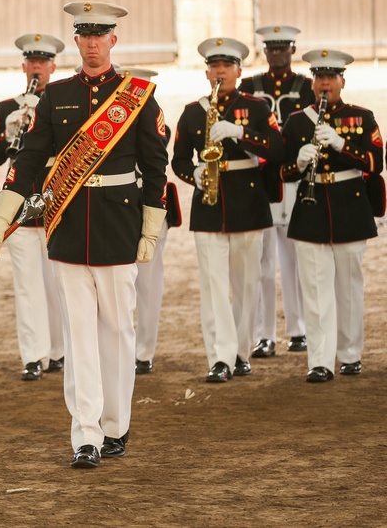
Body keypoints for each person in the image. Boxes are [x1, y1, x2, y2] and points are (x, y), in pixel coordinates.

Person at [0, 2, 168, 469]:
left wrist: (150, 226)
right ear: (77, 40)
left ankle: (116, 425)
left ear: (113, 40)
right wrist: (2, 215)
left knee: (118, 332)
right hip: (67, 226)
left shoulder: (139, 96)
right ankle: (85, 434)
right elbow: (28, 159)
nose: (91, 42)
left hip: (119, 223)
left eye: (99, 34)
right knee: (80, 333)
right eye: (83, 34)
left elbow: (154, 166)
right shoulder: (57, 95)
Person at [172, 37, 284, 384]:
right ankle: (219, 356)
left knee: (247, 283)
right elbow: (177, 159)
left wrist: (241, 132)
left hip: (248, 201)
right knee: (213, 285)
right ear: (207, 72)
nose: (220, 71)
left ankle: (241, 352)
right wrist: (193, 174)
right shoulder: (193, 111)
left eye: (227, 66)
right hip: (209, 204)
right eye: (214, 66)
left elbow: (278, 148)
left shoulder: (257, 107)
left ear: (239, 70)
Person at [280, 49, 382, 382]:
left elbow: (375, 163)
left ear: (342, 81)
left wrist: (341, 145)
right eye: (319, 78)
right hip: (311, 209)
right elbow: (281, 172)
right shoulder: (296, 121)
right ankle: (320, 361)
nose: (325, 83)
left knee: (349, 286)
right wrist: (298, 162)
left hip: (350, 206)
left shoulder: (362, 117)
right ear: (312, 82)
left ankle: (351, 355)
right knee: (314, 287)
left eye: (331, 78)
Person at [0, 33, 66, 381]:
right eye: (31, 61)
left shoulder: (63, 102)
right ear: (24, 66)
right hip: (19, 204)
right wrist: (8, 132)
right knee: (27, 285)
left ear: (53, 66)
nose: (37, 66)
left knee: (59, 283)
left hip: (54, 200)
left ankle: (60, 351)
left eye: (43, 61)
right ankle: (33, 355)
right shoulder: (7, 107)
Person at [241, 25, 313, 357]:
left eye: (283, 48)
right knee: (263, 260)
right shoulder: (249, 86)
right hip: (259, 180)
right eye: (271, 49)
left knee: (296, 257)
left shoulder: (308, 87)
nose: (277, 54)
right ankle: (264, 335)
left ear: (293, 50)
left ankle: (298, 330)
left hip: (294, 179)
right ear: (265, 52)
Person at [121, 67, 176, 375]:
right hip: (117, 209)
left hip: (146, 207)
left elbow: (155, 159)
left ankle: (144, 351)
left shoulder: (153, 116)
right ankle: (123, 348)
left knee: (148, 283)